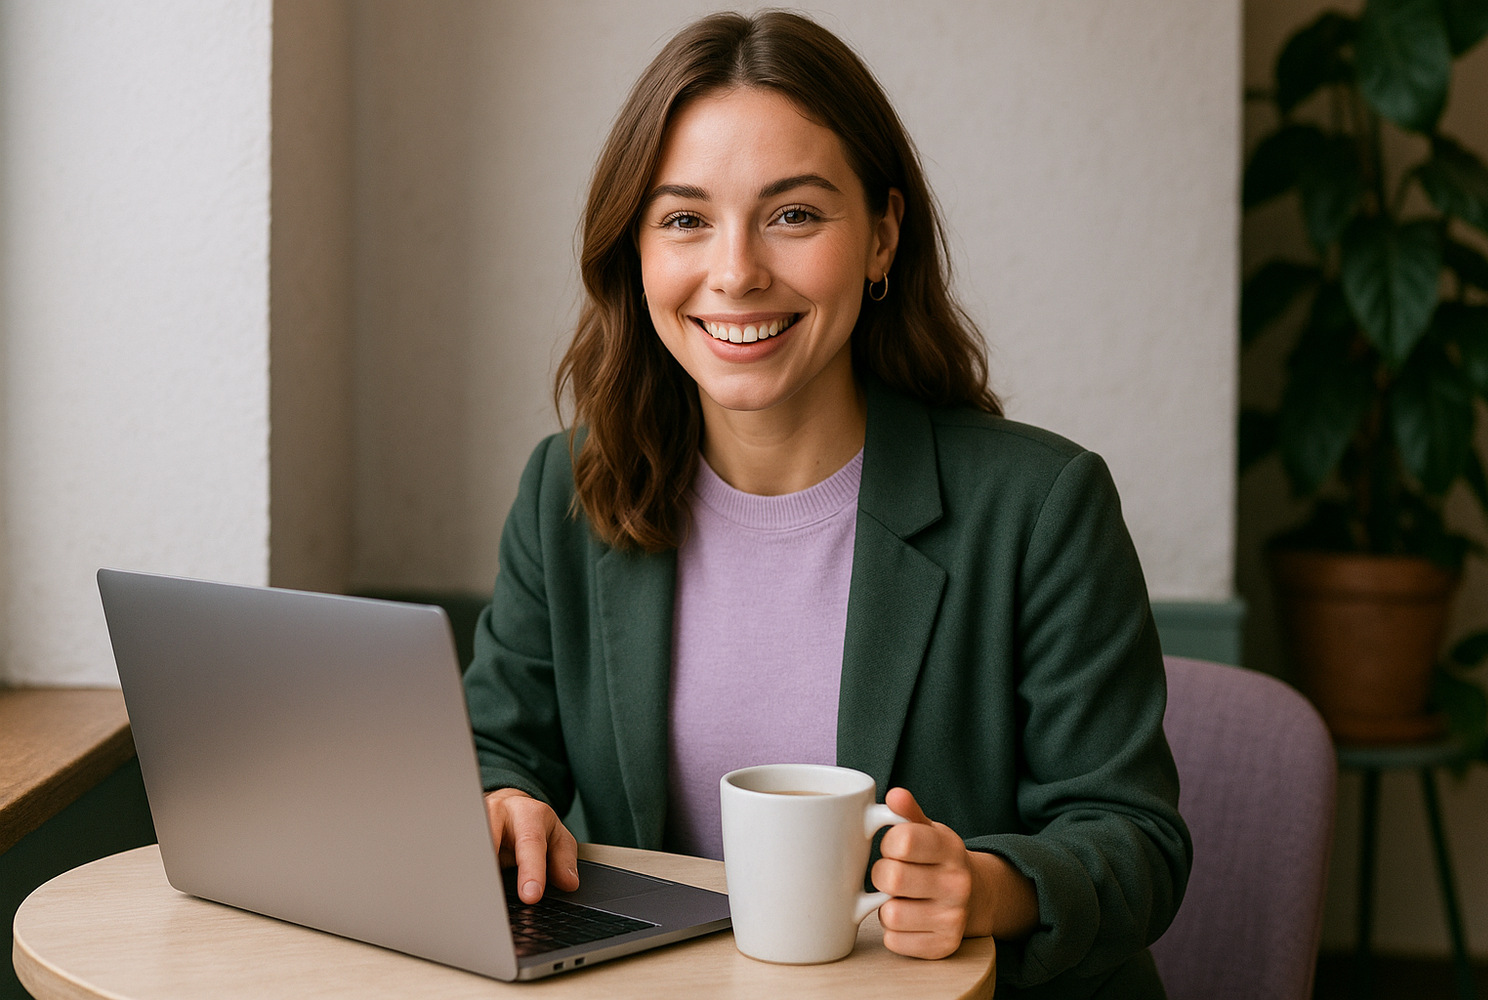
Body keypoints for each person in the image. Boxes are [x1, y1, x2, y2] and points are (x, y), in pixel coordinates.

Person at [463, 11, 1190, 997]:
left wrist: (985, 889)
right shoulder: (570, 487)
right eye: (685, 219)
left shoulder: (1042, 507)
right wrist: (503, 800)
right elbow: (497, 747)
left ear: (882, 236)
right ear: (635, 249)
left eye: (794, 215)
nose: (736, 272)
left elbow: (1135, 840)